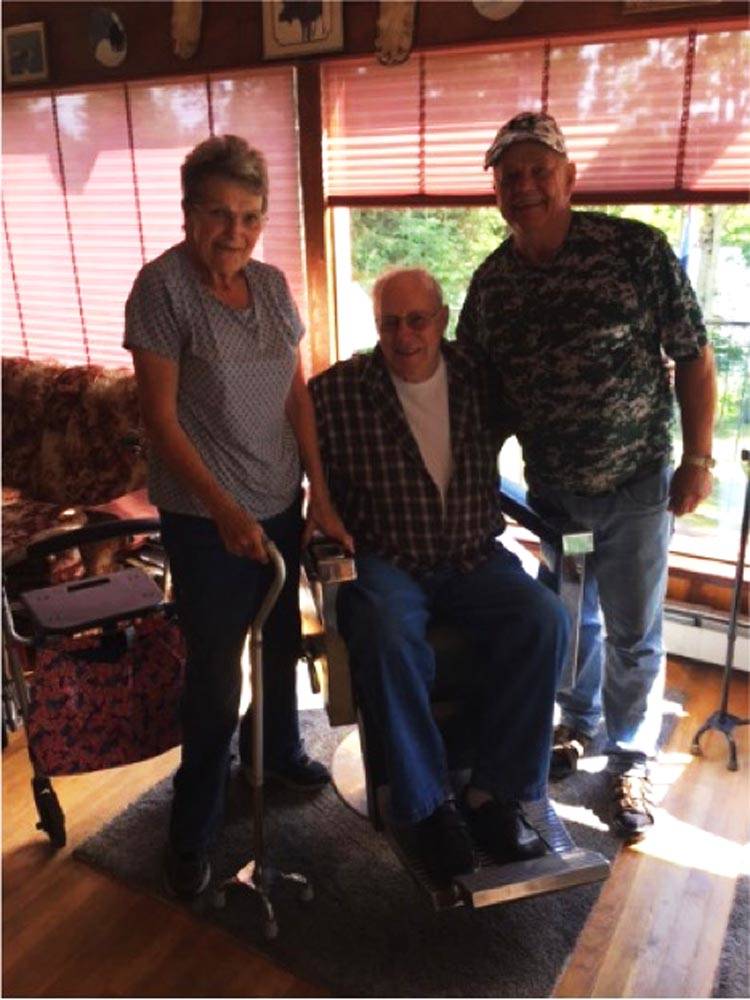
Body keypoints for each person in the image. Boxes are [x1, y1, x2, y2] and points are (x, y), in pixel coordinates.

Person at [457, 111, 717, 838]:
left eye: (541, 172)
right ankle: (577, 725)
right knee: (571, 615)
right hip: (556, 503)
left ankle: (632, 759)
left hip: (636, 490)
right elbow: (479, 399)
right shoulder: (493, 286)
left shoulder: (633, 250)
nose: (526, 186)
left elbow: (694, 357)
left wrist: (697, 459)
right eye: (511, 177)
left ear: (569, 178)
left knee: (634, 628)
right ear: (497, 193)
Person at [124, 134, 352, 898]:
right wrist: (222, 511)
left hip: (278, 501)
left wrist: (317, 489)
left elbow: (295, 395)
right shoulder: (161, 289)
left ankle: (279, 752)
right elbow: (158, 417)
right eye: (219, 213)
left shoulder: (273, 284)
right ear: (189, 214)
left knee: (282, 639)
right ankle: (193, 830)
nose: (235, 230)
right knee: (218, 676)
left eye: (249, 216)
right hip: (202, 517)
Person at [310, 267, 570, 879]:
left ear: (443, 319)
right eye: (390, 323)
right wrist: (312, 506)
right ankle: (427, 808)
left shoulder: (481, 377)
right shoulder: (340, 390)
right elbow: (284, 432)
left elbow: (551, 395)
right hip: (386, 560)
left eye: (418, 319)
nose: (405, 335)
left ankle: (494, 794)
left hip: (473, 556)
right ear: (377, 327)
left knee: (544, 619)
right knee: (389, 633)